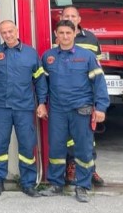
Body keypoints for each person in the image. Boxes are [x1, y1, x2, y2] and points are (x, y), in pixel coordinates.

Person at [40, 19, 109, 203]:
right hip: (57, 111)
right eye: (61, 33)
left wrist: (101, 107)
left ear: (74, 34)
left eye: (68, 33)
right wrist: (41, 103)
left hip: (81, 109)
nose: (65, 36)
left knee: (83, 150)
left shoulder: (87, 56)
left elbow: (99, 83)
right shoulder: (48, 57)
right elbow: (42, 85)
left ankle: (83, 186)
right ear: (56, 34)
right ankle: (56, 183)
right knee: (56, 147)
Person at [0, 21, 48, 198]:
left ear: (17, 31)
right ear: (1, 34)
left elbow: (40, 80)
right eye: (4, 32)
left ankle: (28, 183)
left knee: (27, 145)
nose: (8, 35)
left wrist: (42, 102)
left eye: (10, 31)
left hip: (24, 107)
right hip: (1, 107)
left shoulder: (30, 53)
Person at [60, 5, 105, 187]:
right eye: (66, 16)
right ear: (61, 18)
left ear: (79, 19)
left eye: (73, 16)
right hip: (65, 96)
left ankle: (90, 169)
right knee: (70, 136)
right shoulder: (58, 37)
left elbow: (98, 70)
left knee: (88, 137)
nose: (70, 19)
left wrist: (98, 100)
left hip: (86, 96)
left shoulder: (91, 39)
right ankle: (72, 167)